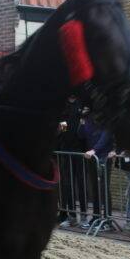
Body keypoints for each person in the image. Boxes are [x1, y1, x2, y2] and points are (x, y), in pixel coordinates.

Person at [56, 95, 86, 227]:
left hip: (80, 149)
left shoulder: (82, 103)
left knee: (81, 183)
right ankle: (71, 215)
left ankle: (84, 215)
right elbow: (61, 127)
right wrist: (61, 131)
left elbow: (84, 127)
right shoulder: (63, 105)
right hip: (65, 148)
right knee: (67, 183)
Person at [80, 109, 113, 227]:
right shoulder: (87, 118)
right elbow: (82, 136)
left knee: (104, 187)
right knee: (94, 187)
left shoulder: (105, 117)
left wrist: (95, 149)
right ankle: (96, 216)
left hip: (103, 156)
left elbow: (106, 135)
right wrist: (82, 123)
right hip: (92, 157)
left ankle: (108, 218)